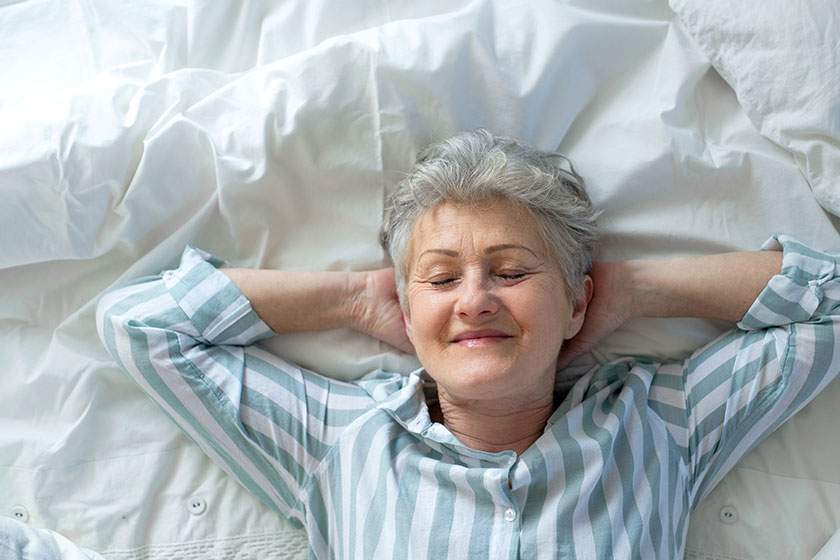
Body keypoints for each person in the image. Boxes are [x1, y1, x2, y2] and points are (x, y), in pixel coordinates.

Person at [97, 129, 840, 559]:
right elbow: (142, 326)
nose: (476, 299)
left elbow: (828, 307)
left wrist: (636, 291)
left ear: (577, 300)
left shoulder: (657, 425)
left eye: (512, 271)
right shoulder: (343, 441)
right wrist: (353, 298)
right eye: (441, 278)